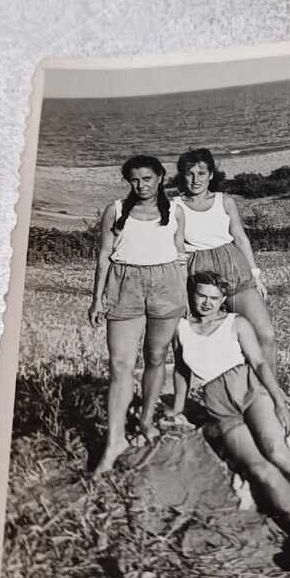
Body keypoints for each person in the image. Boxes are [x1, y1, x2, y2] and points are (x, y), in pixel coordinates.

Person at [170, 271, 290, 568]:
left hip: (251, 392)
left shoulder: (236, 323)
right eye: (202, 296)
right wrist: (177, 408)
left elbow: (260, 362)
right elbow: (182, 371)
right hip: (219, 406)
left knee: (277, 452)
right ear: (192, 293)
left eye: (214, 297)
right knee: (258, 469)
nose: (207, 303)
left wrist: (278, 400)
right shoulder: (181, 328)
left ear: (223, 299)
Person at [89, 154, 187, 473]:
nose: (141, 185)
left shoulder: (176, 211)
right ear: (127, 181)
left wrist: (184, 295)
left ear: (160, 177)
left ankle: (145, 420)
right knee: (120, 365)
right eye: (134, 179)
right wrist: (97, 299)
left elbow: (181, 255)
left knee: (157, 356)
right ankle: (115, 440)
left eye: (147, 178)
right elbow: (104, 256)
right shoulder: (115, 211)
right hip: (124, 285)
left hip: (166, 285)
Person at [174, 147, 278, 372]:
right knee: (206, 341)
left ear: (211, 175)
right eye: (189, 173)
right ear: (182, 175)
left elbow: (241, 238)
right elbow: (178, 252)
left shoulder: (225, 201)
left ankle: (270, 393)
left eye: (201, 173)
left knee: (265, 334)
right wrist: (182, 292)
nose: (195, 180)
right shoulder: (176, 206)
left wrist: (256, 275)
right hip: (199, 275)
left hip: (234, 268)